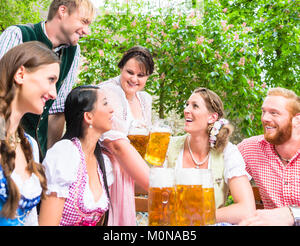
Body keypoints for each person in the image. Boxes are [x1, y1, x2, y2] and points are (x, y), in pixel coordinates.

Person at [0, 0, 95, 159]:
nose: (87, 31)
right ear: (62, 11)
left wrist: (49, 159)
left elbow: (57, 110)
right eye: (84, 21)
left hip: (35, 150)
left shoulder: (73, 52)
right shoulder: (18, 35)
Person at [165, 87, 256, 224]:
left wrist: (198, 216)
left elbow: (246, 210)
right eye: (187, 104)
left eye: (195, 106)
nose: (186, 110)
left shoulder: (227, 152)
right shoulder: (169, 146)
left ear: (212, 117)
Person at [0, 41, 60, 226]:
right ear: (20, 74)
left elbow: (30, 219)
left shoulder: (30, 145)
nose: (54, 94)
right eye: (50, 80)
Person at [39, 85, 114, 226]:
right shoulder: (65, 154)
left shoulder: (102, 161)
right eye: (105, 103)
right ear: (88, 116)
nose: (112, 109)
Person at [98, 46, 154, 226]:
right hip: (110, 167)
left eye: (141, 75)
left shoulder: (145, 99)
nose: (134, 79)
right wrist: (155, 185)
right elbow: (115, 144)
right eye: (130, 72)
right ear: (121, 68)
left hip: (133, 169)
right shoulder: (108, 91)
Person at [238, 87, 300, 226]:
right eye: (263, 112)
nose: (265, 118)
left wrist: (292, 214)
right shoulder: (250, 148)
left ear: (296, 120)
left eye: (274, 113)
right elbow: (217, 170)